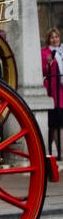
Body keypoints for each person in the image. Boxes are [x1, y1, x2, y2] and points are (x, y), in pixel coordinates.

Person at [43, 28, 63, 159]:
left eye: (56, 37)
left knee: (59, 124)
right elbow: (44, 71)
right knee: (54, 124)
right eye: (52, 37)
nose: (54, 39)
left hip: (61, 91)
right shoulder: (45, 52)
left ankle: (54, 152)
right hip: (52, 92)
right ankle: (59, 153)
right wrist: (49, 63)